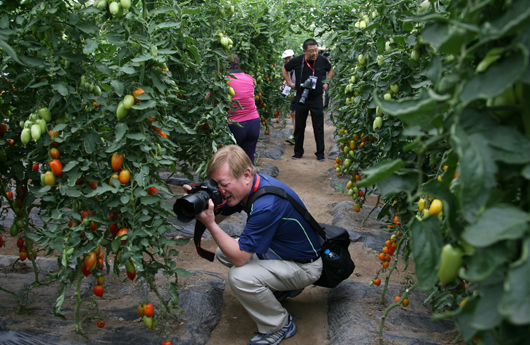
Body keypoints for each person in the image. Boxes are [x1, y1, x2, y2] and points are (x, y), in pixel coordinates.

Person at [189, 145, 323, 345]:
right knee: (223, 252)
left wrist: (208, 222)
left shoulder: (266, 203)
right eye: (215, 184)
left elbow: (240, 257)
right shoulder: (251, 187)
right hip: (281, 253)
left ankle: (279, 325)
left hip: (304, 266)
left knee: (240, 276)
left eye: (223, 184)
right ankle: (281, 290)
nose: (220, 191)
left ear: (246, 174)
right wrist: (197, 203)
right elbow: (216, 217)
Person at [282, 39, 333, 162]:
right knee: (299, 125)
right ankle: (298, 152)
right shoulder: (298, 60)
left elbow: (330, 69)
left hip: (316, 98)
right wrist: (289, 82)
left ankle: (320, 153)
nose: (314, 53)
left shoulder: (322, 60)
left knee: (318, 126)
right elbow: (285, 68)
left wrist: (327, 82)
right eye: (311, 51)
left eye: (315, 50)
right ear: (304, 51)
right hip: (301, 97)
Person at [226, 53, 261, 164]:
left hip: (236, 125)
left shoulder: (223, 81)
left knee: (231, 161)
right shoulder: (249, 78)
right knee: (248, 160)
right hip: (253, 122)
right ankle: (251, 181)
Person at [280, 49, 296, 145]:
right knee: (293, 112)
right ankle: (295, 134)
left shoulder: (298, 67)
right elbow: (289, 80)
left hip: (301, 93)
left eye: (289, 58)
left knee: (295, 113)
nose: (287, 60)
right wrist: (284, 85)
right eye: (285, 59)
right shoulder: (289, 69)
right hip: (296, 93)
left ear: (293, 57)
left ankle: (295, 135)